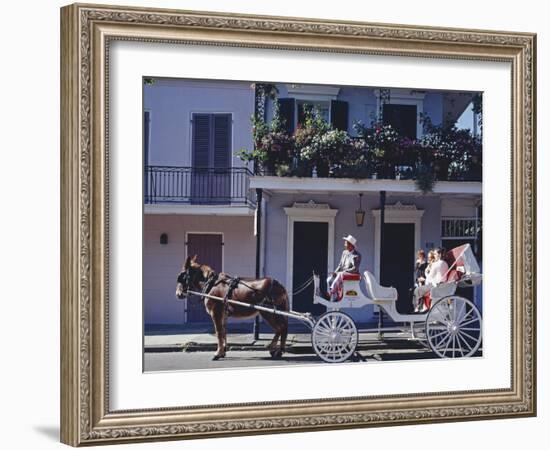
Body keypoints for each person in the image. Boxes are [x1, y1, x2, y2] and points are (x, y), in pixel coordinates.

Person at [326, 235, 362, 301]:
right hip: (343, 273)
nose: (344, 245)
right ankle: (335, 296)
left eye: (346, 243)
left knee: (340, 274)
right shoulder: (344, 252)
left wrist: (344, 271)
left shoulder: (357, 255)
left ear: (351, 245)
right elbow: (340, 265)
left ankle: (331, 292)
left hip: (352, 273)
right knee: (329, 279)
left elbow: (355, 269)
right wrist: (335, 272)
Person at [413, 247, 448, 312]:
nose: (434, 256)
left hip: (435, 285)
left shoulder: (437, 264)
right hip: (441, 284)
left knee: (416, 290)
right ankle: (423, 307)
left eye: (435, 254)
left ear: (439, 254)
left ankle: (417, 308)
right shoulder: (445, 263)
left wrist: (426, 272)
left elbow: (430, 277)